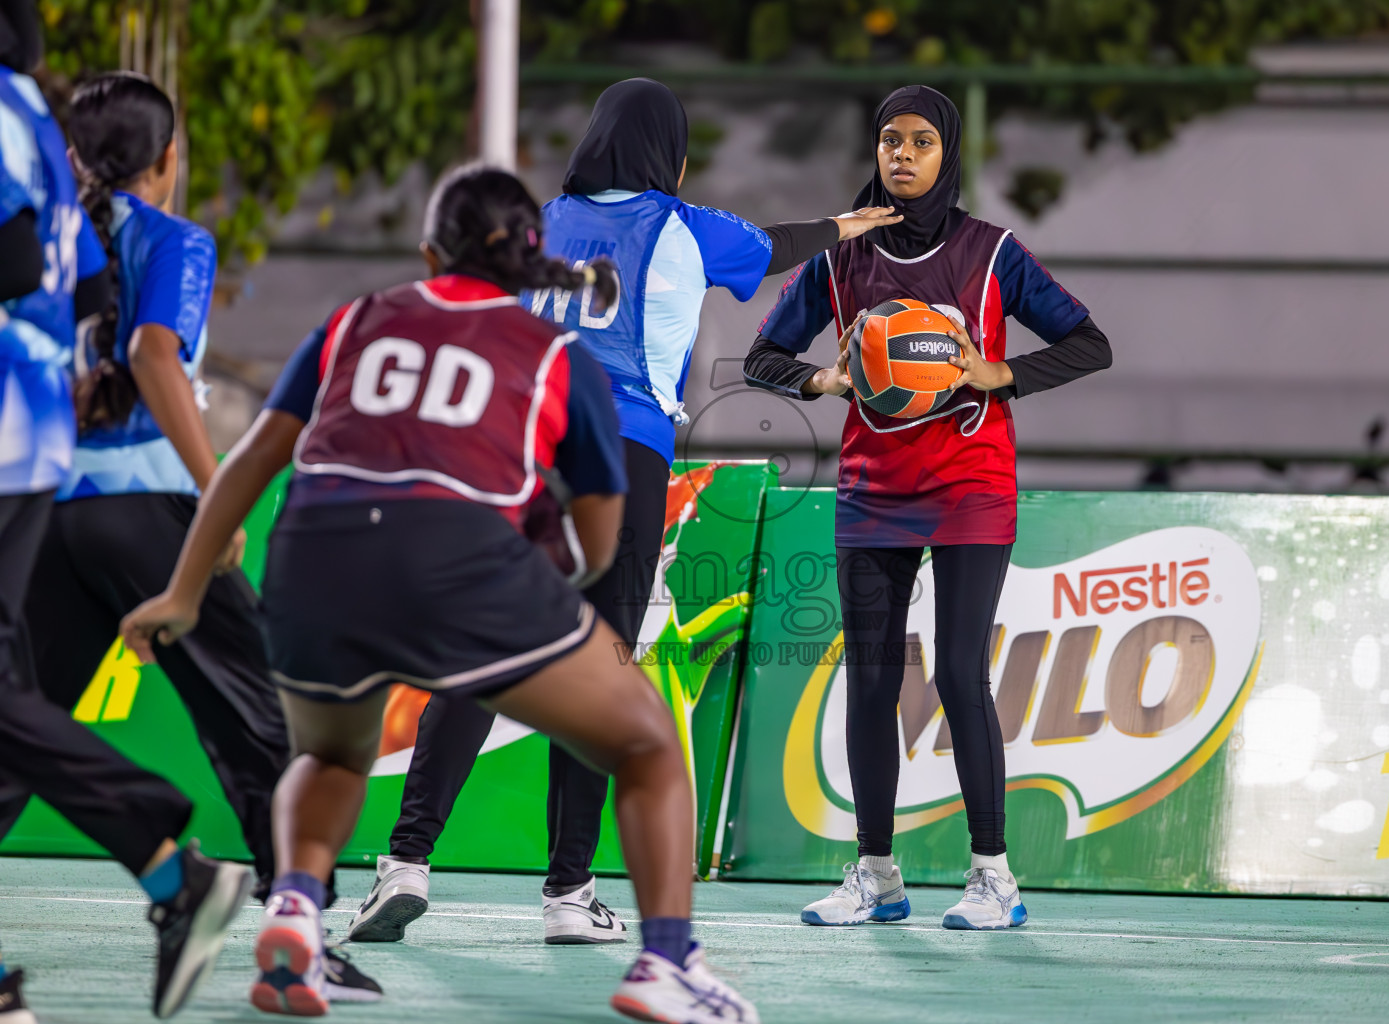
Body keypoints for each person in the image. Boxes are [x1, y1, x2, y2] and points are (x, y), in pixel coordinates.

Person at [120, 164, 759, 1023]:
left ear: (428, 251)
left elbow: (250, 465)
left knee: (332, 754)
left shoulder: (353, 319)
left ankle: (299, 915)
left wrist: (183, 591)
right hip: (459, 559)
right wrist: (538, 599)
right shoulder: (558, 353)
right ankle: (669, 963)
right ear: (531, 259)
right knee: (644, 743)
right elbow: (600, 543)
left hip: (312, 558)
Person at [347, 76, 901, 947]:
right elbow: (779, 246)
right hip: (625, 452)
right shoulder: (684, 226)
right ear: (666, 154)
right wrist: (848, 224)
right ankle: (569, 894)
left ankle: (404, 863)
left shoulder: (544, 220)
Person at [743, 85, 1112, 930]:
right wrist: (821, 378)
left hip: (969, 485)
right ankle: (876, 874)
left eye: (919, 142)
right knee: (871, 678)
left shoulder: (991, 252)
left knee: (955, 671)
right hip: (873, 489)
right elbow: (763, 353)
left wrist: (1001, 372)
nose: (900, 155)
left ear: (948, 153)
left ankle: (994, 878)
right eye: (887, 141)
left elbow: (1090, 342)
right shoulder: (839, 255)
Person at [0, 5, 252, 1019]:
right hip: (38, 442)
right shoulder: (38, 123)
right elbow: (93, 289)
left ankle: (174, 860)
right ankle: (168, 871)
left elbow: (22, 266)